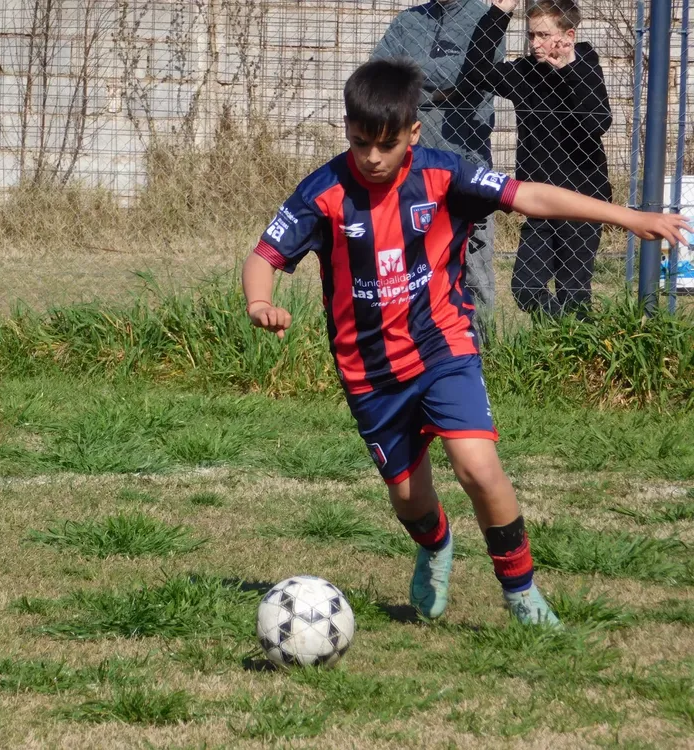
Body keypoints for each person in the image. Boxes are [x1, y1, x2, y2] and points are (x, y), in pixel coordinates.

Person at [242, 59, 690, 626]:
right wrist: (260, 302)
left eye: (385, 144)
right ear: (348, 130)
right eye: (360, 144)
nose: (372, 158)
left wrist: (628, 218)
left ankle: (521, 591)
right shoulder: (324, 190)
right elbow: (264, 256)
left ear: (413, 133)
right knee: (409, 499)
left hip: (442, 348)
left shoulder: (444, 175)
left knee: (478, 468)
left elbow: (532, 198)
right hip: (369, 371)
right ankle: (435, 544)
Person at [460, 0, 612, 316]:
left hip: (580, 200)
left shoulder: (585, 62)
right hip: (539, 201)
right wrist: (498, 15)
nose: (535, 43)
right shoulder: (525, 72)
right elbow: (476, 69)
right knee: (526, 287)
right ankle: (558, 337)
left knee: (573, 292)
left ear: (568, 35)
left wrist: (569, 68)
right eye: (531, 35)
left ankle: (574, 351)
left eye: (543, 35)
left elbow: (598, 122)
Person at [373, 0, 504, 325]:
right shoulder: (407, 22)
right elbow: (378, 75)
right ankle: (417, 338)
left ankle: (482, 349)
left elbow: (475, 73)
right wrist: (441, 89)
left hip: (467, 161)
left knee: (473, 264)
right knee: (412, 260)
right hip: (413, 168)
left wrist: (410, 77)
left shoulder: (487, 20)